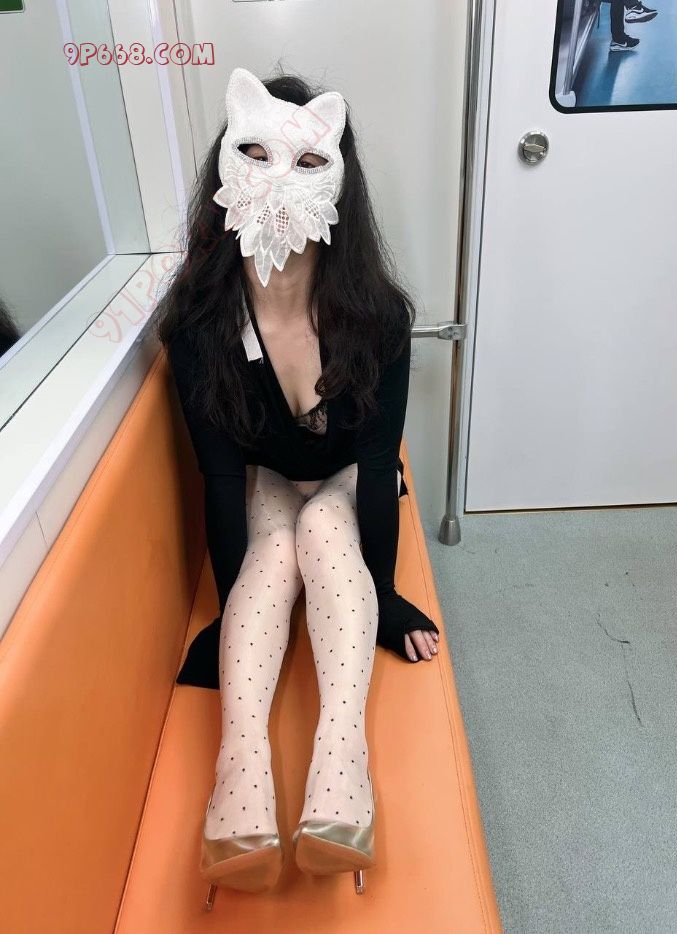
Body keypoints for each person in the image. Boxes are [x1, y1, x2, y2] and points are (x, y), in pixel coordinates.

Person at [155, 66, 440, 895]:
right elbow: (219, 477)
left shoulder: (378, 319)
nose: (279, 176)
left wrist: (385, 598)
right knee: (277, 547)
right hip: (269, 476)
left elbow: (378, 464)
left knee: (320, 526)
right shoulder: (199, 327)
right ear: (226, 167)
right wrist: (227, 616)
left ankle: (341, 764)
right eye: (255, 153)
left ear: (339, 182)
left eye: (309, 160)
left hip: (350, 478)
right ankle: (239, 778)